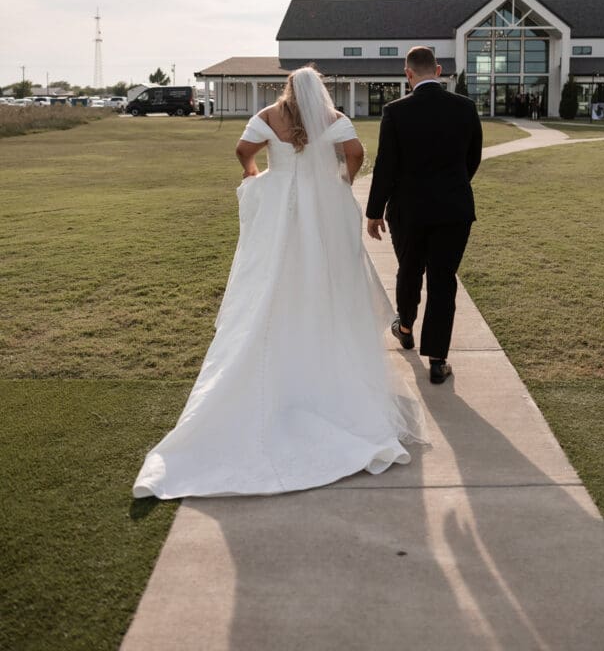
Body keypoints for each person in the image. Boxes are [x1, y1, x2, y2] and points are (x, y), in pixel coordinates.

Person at [133, 66, 427, 499]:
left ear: (289, 88)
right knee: (325, 271)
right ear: (318, 90)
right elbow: (356, 151)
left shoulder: (270, 115)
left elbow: (242, 148)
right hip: (323, 203)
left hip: (280, 203)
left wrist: (253, 171)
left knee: (273, 270)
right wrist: (343, 177)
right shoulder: (332, 117)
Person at [366, 47, 483, 385]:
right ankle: (437, 359)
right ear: (439, 70)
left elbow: (386, 165)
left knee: (409, 270)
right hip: (453, 209)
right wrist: (452, 186)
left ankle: (405, 328)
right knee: (443, 280)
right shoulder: (465, 107)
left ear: (408, 74)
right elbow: (472, 158)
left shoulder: (395, 111)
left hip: (409, 210)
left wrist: (374, 212)